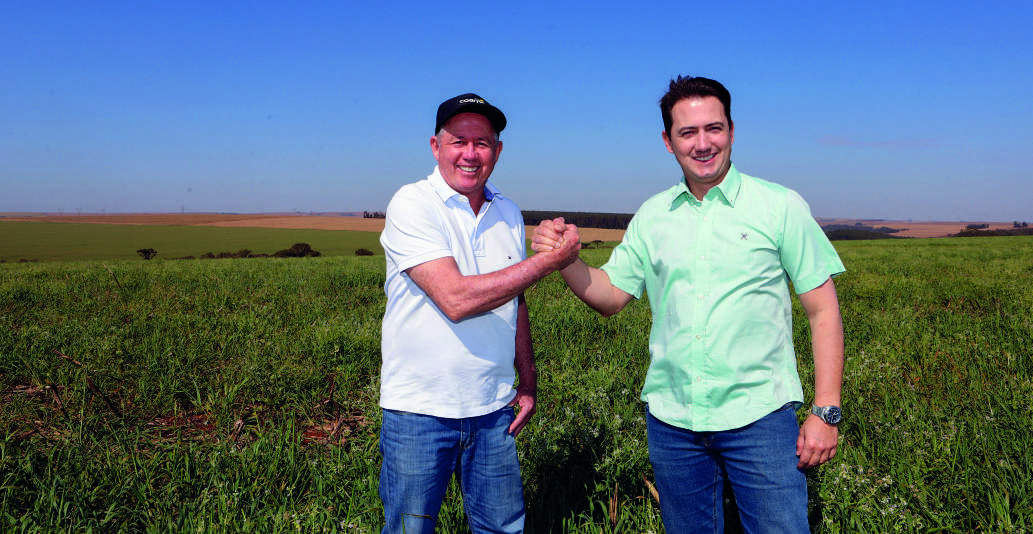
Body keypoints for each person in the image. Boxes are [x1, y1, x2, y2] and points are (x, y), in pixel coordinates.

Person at [532, 76, 845, 533]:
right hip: (673, 423)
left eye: (713, 128)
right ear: (668, 141)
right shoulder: (653, 215)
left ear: (732, 131)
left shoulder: (780, 206)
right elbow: (609, 295)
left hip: (760, 418)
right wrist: (566, 260)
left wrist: (826, 411)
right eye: (688, 132)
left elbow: (823, 311)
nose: (703, 143)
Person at [378, 93, 580, 534]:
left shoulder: (507, 211)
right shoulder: (412, 203)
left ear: (498, 151)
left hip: (493, 408)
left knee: (502, 528)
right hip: (419, 411)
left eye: (482, 143)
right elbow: (455, 299)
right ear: (436, 146)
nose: (470, 154)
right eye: (458, 141)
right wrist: (550, 261)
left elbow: (515, 298)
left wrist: (528, 379)